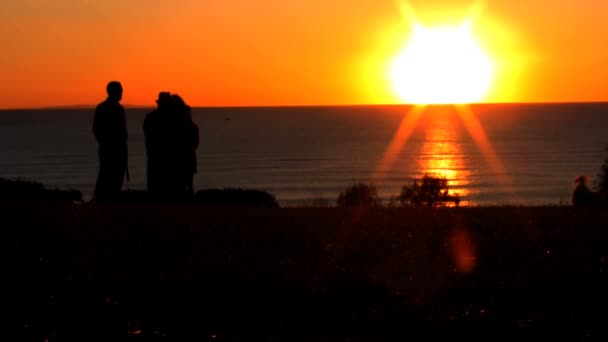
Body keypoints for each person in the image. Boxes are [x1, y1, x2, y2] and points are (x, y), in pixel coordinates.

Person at [93, 81, 128, 203]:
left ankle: (102, 199)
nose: (122, 93)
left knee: (104, 174)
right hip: (116, 149)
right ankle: (110, 202)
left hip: (105, 148)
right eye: (121, 90)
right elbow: (122, 132)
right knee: (115, 177)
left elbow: (96, 129)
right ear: (116, 92)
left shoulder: (100, 107)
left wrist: (103, 142)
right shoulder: (117, 109)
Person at [171, 94, 199, 195]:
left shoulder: (176, 126)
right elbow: (195, 144)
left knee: (180, 184)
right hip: (189, 157)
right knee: (188, 184)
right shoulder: (193, 126)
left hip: (181, 158)